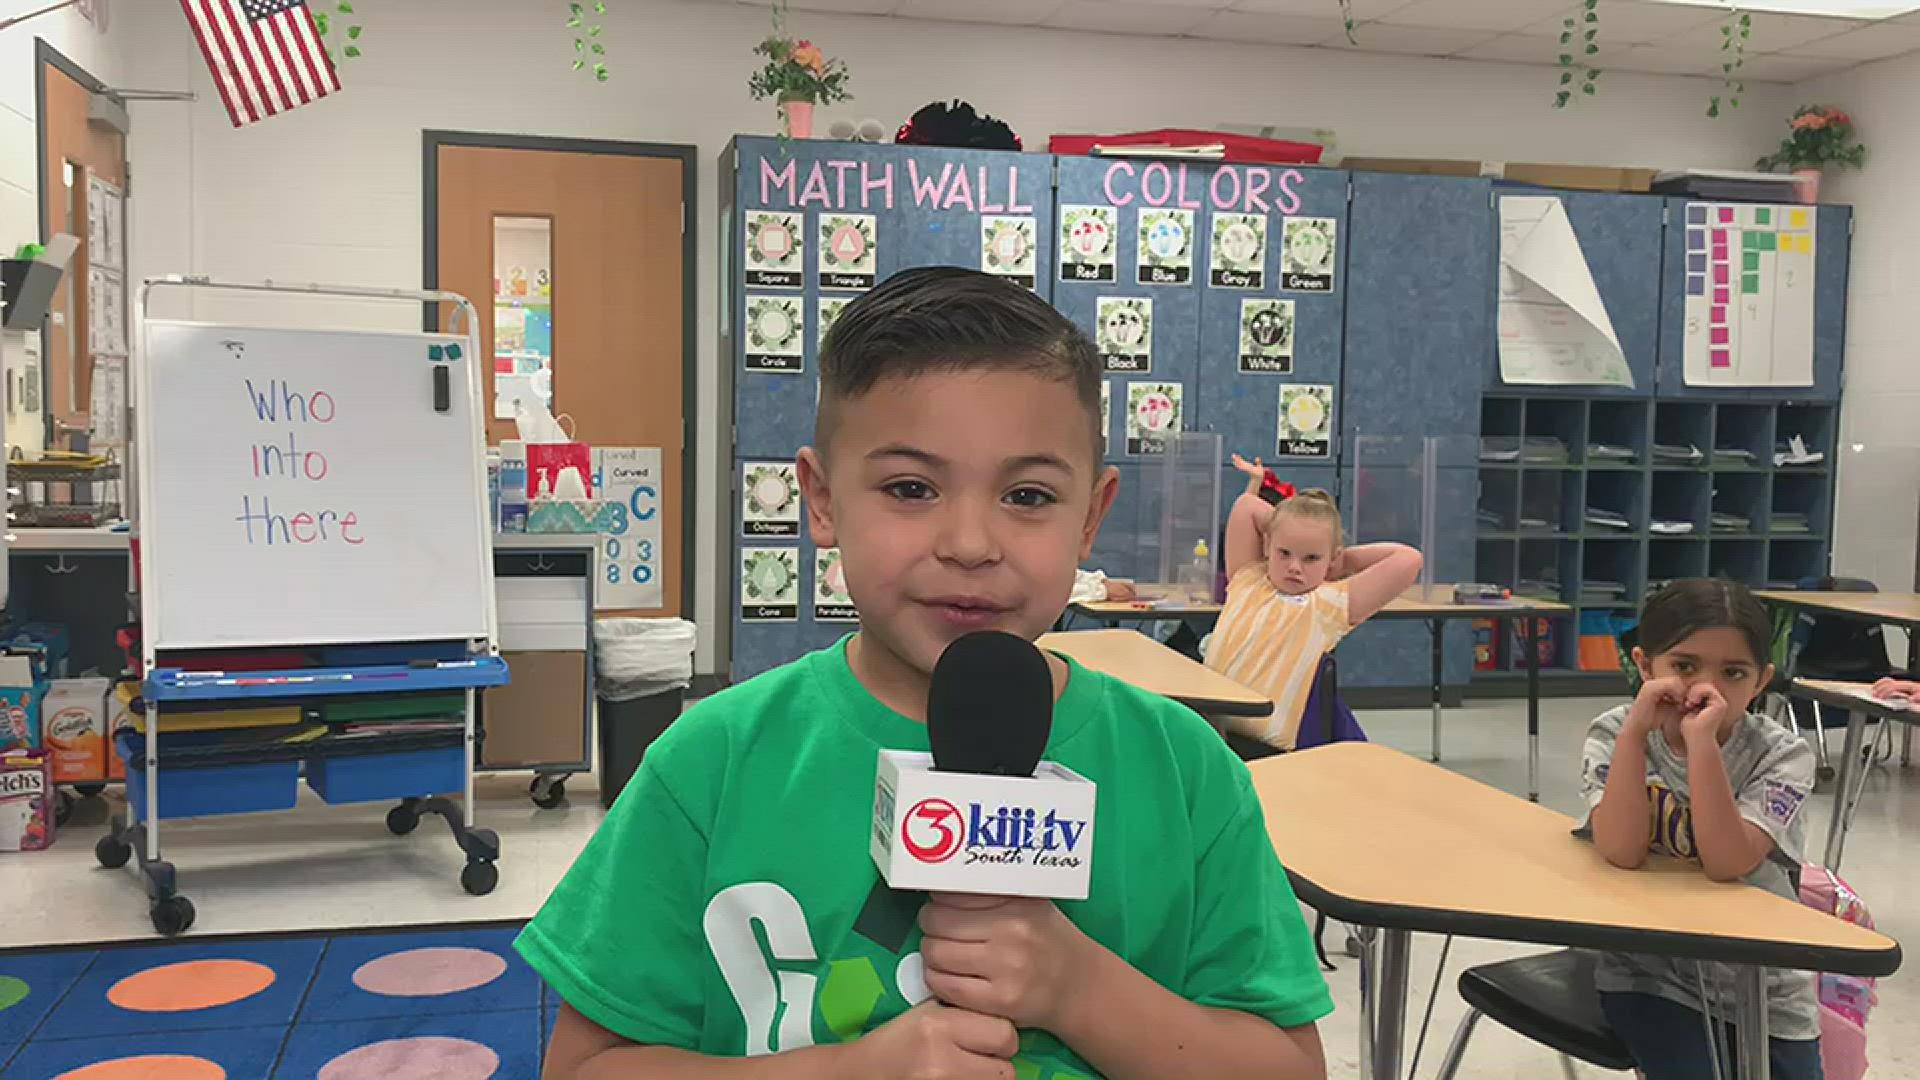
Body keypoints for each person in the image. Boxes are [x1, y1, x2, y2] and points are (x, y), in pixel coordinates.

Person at [519, 267, 1331, 1080]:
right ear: (823, 500)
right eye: (911, 487)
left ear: (1091, 516)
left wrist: (1080, 989)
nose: (971, 542)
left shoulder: (1187, 774)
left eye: (1028, 494)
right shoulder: (710, 763)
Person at [1581, 578, 1822, 1080]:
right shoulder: (1614, 732)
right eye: (1684, 667)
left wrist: (1703, 747)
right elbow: (1621, 850)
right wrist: (1634, 735)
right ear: (1646, 666)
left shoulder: (1783, 755)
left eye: (1733, 672)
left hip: (1764, 982)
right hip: (1649, 976)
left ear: (1761, 681)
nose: (1705, 688)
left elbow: (1728, 862)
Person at [1202, 453, 1422, 751]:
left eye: (1311, 558)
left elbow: (1408, 560)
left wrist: (1341, 561)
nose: (1295, 567)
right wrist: (1288, 525)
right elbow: (1245, 507)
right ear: (1267, 545)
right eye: (1285, 553)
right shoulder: (1248, 579)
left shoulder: (1329, 605)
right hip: (1205, 731)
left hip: (1260, 748)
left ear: (1329, 560)